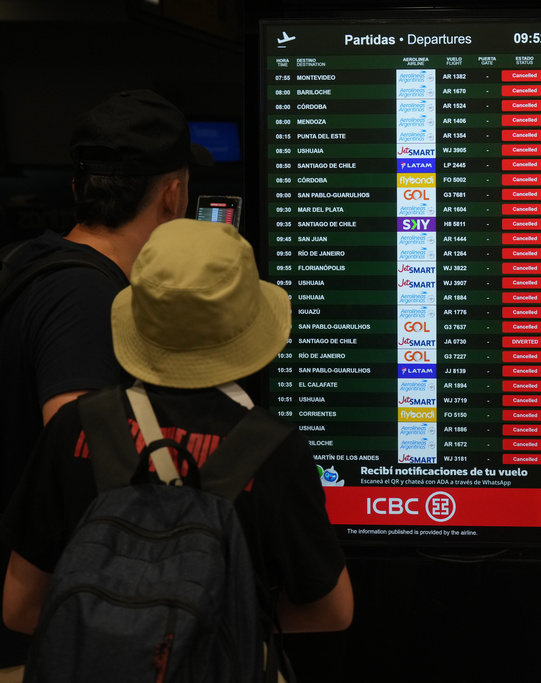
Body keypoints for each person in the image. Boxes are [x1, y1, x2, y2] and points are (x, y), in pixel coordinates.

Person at [0, 219, 352, 641]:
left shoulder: (73, 427)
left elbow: (20, 609)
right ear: (249, 327)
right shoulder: (275, 449)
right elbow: (332, 612)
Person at [0, 89, 212, 669]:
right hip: (41, 630)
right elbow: (81, 453)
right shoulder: (87, 298)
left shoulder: (27, 260)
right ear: (174, 194)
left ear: (78, 189)